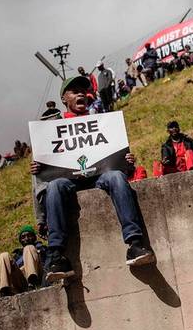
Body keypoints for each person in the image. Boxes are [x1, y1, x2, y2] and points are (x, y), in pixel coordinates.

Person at [30, 75, 154, 278]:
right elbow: (41, 180)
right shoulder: (51, 130)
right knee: (54, 186)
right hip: (67, 180)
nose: (81, 93)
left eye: (83, 90)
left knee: (116, 177)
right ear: (64, 98)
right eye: (74, 90)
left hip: (99, 176)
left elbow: (120, 165)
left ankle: (135, 243)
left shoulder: (104, 123)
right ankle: (56, 255)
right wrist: (41, 218)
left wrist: (127, 163)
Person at [0, 225, 47, 296]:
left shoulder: (42, 249)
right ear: (20, 241)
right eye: (23, 237)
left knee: (28, 247)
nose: (26, 239)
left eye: (29, 236)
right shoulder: (17, 255)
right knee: (3, 255)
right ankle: (5, 290)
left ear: (34, 237)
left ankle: (32, 283)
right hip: (22, 282)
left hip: (39, 277)